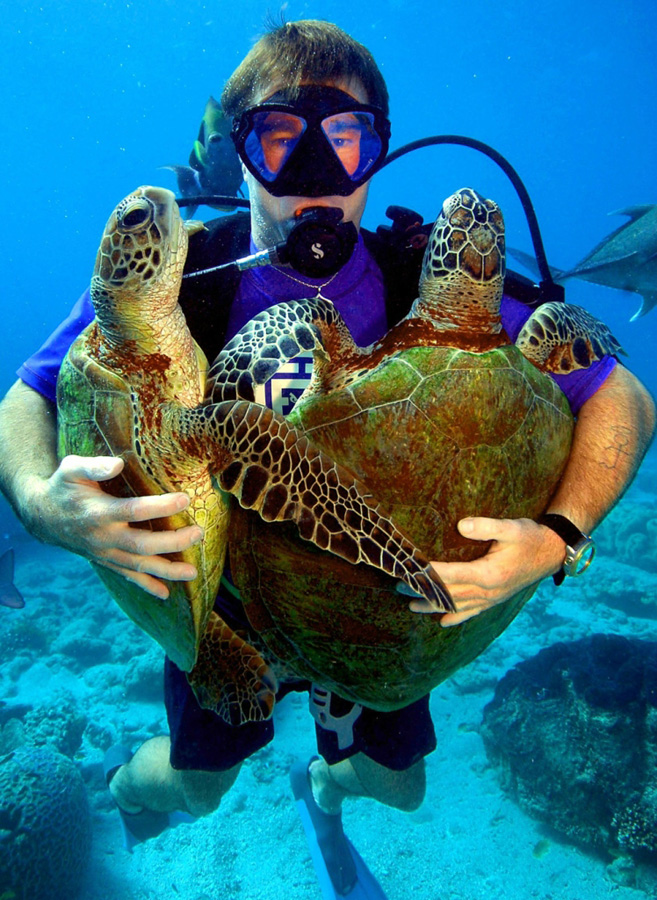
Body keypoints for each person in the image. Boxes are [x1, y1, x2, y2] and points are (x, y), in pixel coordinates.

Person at [0, 19, 654, 899]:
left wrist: (557, 534)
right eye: (280, 140)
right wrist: (43, 504)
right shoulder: (181, 281)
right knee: (196, 785)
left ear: (376, 156)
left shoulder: (421, 274)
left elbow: (624, 398)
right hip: (224, 600)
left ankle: (324, 781)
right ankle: (121, 784)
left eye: (343, 141)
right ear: (240, 158)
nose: (315, 175)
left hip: (378, 606)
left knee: (401, 787)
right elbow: (27, 398)